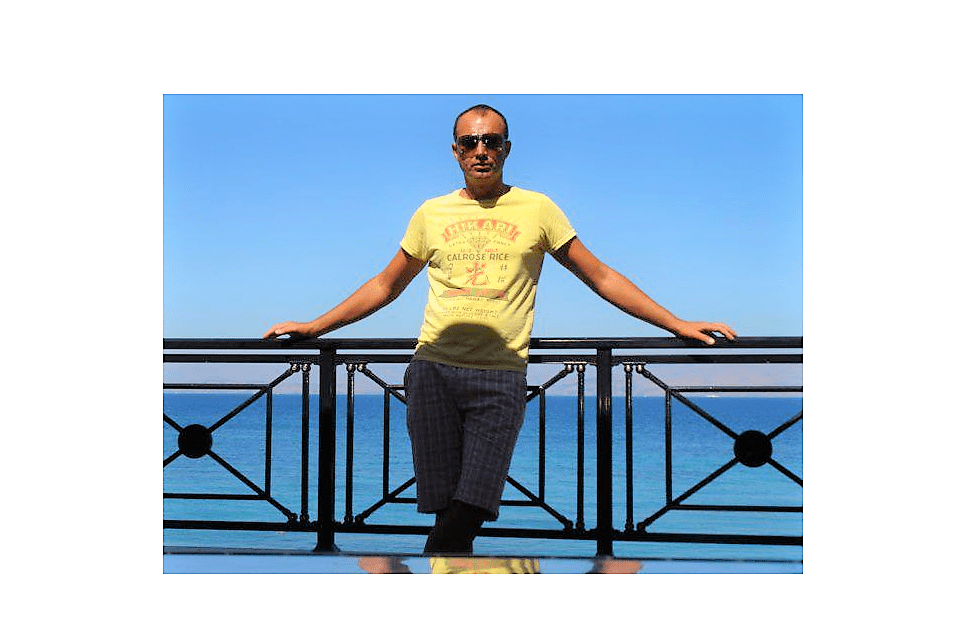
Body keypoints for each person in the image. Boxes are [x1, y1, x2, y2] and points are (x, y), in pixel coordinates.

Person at [263, 104, 737, 555]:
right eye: (470, 143)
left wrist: (675, 323)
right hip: (431, 373)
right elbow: (386, 284)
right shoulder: (431, 213)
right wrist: (316, 326)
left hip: (500, 375)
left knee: (472, 503)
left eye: (491, 141)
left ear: (507, 148)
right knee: (446, 506)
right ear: (455, 151)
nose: (481, 151)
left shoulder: (538, 209)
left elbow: (600, 276)